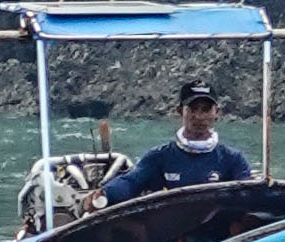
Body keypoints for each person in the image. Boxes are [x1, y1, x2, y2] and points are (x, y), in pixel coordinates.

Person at [100, 78, 254, 204]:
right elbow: (130, 182)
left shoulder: (233, 159)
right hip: (170, 235)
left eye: (206, 109)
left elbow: (250, 195)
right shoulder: (159, 157)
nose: (199, 117)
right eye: (193, 109)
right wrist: (104, 194)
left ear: (216, 112)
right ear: (180, 111)